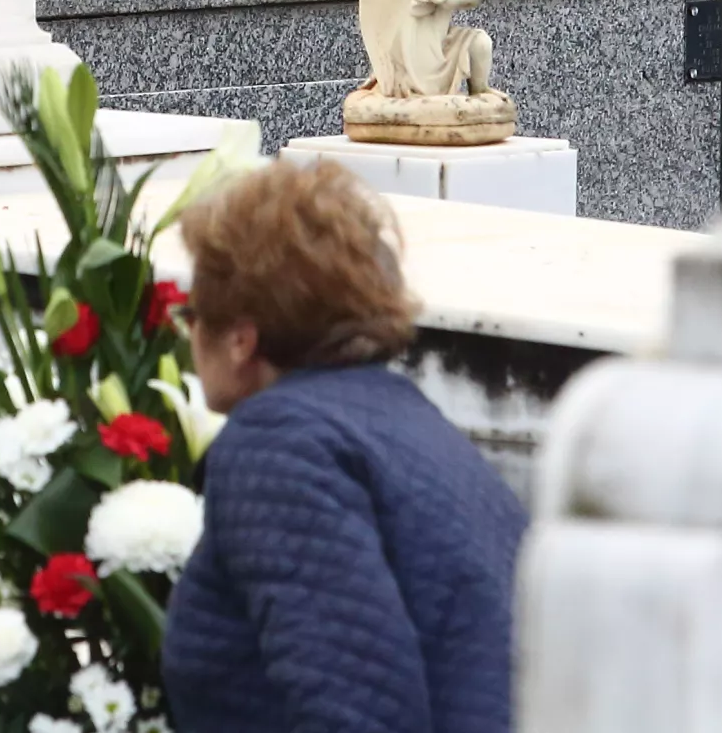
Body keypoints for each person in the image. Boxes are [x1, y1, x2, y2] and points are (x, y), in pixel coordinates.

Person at [163, 160, 527, 733]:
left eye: (192, 315)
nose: (187, 335)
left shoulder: (277, 446)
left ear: (240, 337)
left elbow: (355, 712)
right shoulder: (398, 414)